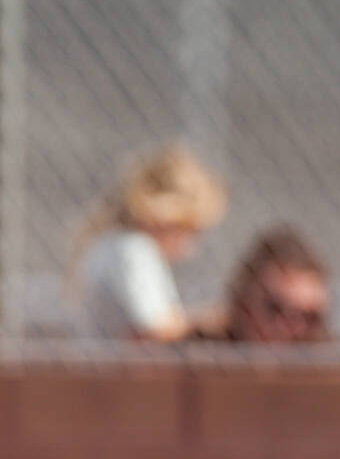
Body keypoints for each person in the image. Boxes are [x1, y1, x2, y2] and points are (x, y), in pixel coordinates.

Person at [70, 143, 228, 342]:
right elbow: (155, 327)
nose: (190, 249)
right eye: (190, 232)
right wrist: (214, 321)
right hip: (115, 371)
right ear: (168, 218)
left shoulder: (118, 244)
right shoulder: (134, 250)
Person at [196, 224, 330, 343]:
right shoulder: (197, 357)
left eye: (311, 317)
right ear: (242, 303)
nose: (292, 327)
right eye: (275, 308)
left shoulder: (335, 363)